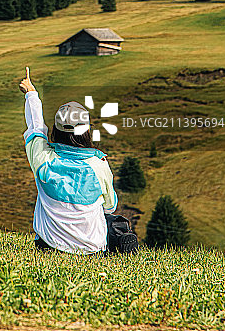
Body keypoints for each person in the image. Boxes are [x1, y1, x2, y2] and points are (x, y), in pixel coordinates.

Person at [19, 66, 137, 254]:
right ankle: (120, 241)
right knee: (113, 220)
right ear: (86, 132)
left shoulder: (42, 158)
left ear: (56, 131)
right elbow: (110, 205)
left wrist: (31, 94)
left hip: (48, 245)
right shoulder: (99, 165)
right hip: (92, 249)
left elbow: (36, 127)